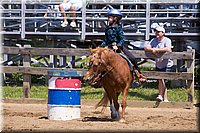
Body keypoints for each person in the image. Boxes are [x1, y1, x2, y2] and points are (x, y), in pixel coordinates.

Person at [100, 9, 146, 83]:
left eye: (110, 17)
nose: (108, 19)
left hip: (118, 47)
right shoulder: (107, 29)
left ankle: (138, 74)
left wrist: (118, 45)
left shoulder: (118, 28)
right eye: (108, 17)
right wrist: (101, 47)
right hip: (109, 47)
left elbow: (122, 38)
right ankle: (98, 78)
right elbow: (106, 40)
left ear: (115, 18)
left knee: (132, 58)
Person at [144, 26, 174, 102]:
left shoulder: (167, 40)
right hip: (158, 63)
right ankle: (162, 96)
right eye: (156, 31)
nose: (156, 33)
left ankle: (163, 96)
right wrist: (152, 49)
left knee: (162, 79)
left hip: (167, 64)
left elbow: (168, 48)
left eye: (158, 31)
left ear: (163, 33)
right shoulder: (154, 40)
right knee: (160, 79)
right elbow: (146, 47)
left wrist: (157, 50)